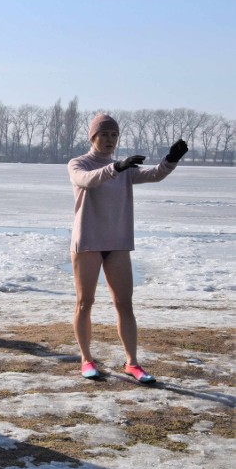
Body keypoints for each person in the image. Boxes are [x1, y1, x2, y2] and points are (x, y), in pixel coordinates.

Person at [68, 113, 188, 384]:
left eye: (114, 135)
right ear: (93, 137)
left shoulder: (122, 169)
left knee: (124, 303)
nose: (110, 140)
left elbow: (154, 174)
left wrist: (171, 160)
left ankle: (132, 363)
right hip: (87, 242)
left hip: (118, 242)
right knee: (85, 302)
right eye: (104, 135)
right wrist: (117, 167)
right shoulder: (79, 164)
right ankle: (86, 359)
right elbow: (87, 180)